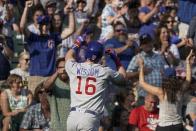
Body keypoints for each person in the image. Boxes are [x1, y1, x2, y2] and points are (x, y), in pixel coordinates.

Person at [65, 40, 126, 131]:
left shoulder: (74, 67)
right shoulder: (104, 71)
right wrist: (115, 59)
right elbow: (123, 78)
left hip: (73, 117)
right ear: (100, 57)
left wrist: (77, 43)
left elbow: (68, 56)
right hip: (89, 118)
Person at [137, 49, 193, 131]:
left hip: (164, 127)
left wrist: (141, 67)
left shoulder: (161, 92)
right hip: (178, 126)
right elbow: (188, 79)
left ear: (164, 79)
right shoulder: (180, 90)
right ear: (175, 78)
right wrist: (187, 62)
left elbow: (142, 83)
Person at [126, 34, 166, 101]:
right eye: (144, 43)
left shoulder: (159, 57)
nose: (147, 44)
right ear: (141, 46)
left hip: (159, 96)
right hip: (144, 97)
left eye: (149, 42)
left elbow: (164, 73)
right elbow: (127, 75)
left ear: (152, 42)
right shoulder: (137, 58)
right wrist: (140, 72)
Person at [43, 58, 70, 131]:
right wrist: (57, 73)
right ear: (56, 69)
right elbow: (46, 86)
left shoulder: (74, 82)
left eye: (66, 67)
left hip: (73, 126)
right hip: (57, 126)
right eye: (61, 67)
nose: (63, 70)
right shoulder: (54, 82)